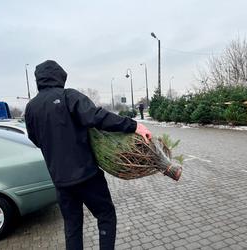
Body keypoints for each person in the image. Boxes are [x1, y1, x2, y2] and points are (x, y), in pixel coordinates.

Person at [25, 60, 152, 250]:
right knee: (106, 215)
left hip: (61, 182)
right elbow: (97, 116)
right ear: (59, 76)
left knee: (72, 227)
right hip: (87, 176)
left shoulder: (31, 108)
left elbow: (35, 139)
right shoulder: (68, 96)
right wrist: (134, 125)